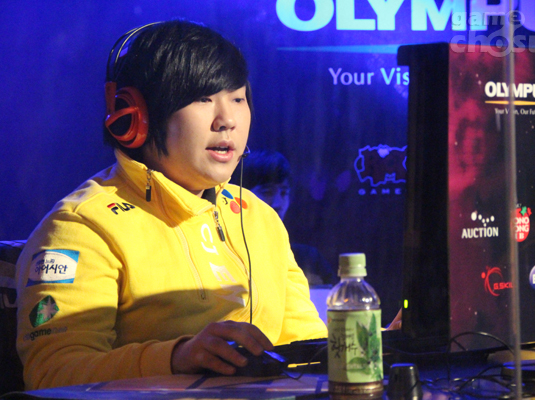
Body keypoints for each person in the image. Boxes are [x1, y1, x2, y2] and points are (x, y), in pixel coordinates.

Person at [15, 20, 327, 390]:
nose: (227, 120)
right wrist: (175, 358)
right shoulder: (82, 226)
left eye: (238, 99)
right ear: (136, 115)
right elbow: (52, 373)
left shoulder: (257, 215)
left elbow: (305, 344)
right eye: (203, 99)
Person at [233, 150, 336, 286]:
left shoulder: (308, 258)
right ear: (239, 194)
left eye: (283, 193)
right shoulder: (224, 252)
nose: (277, 203)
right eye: (267, 192)